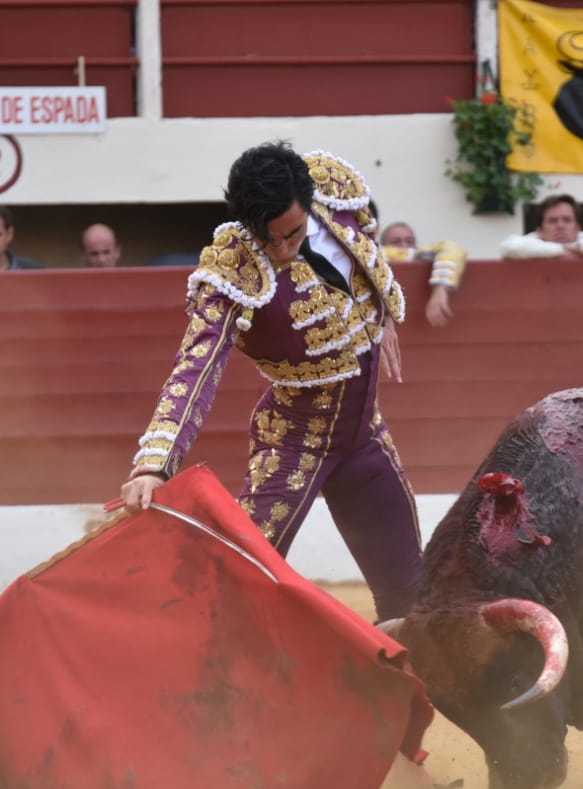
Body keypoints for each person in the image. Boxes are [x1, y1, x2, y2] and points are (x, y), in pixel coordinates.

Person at [119, 142, 419, 620]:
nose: (281, 250)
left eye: (292, 233)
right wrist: (154, 464)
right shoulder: (231, 269)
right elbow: (196, 367)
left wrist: (381, 316)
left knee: (409, 595)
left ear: (310, 202)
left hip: (365, 438)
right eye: (267, 240)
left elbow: (366, 237)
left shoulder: (335, 188)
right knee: (237, 588)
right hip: (294, 443)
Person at [379, 220, 465, 328]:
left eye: (409, 241)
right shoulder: (377, 256)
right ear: (383, 245)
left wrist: (440, 288)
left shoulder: (417, 255)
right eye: (396, 242)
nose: (404, 246)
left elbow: (453, 249)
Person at [499, 193, 583, 260]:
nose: (560, 226)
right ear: (540, 230)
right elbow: (509, 247)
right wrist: (562, 250)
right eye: (553, 221)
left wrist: (580, 247)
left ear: (577, 228)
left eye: (567, 220)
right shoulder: (534, 239)